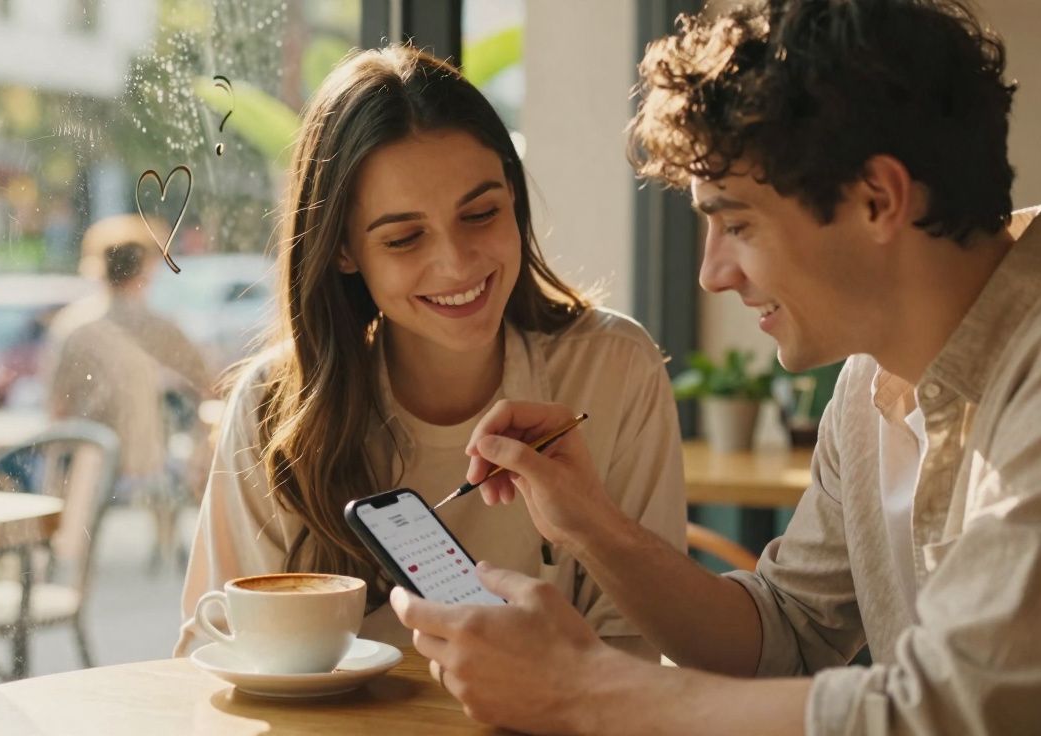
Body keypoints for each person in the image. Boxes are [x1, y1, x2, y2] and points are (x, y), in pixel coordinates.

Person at [391, 1, 1041, 733]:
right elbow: (782, 634)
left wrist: (584, 691)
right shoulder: (870, 386)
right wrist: (589, 525)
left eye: (737, 224)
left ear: (878, 200)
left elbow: (966, 714)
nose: (713, 272)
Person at [174, 47, 686, 657]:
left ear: (515, 203)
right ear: (342, 251)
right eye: (404, 237)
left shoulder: (614, 368)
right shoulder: (275, 405)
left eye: (481, 213)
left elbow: (633, 651)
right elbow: (219, 648)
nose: (456, 262)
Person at [45, 215, 213, 562]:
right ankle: (180, 544)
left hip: (85, 454)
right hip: (147, 455)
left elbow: (57, 406)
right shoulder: (161, 328)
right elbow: (208, 384)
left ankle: (58, 545)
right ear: (145, 271)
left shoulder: (72, 327)